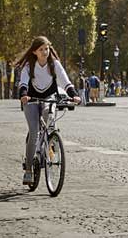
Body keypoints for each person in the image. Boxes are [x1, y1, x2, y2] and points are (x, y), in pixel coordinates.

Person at [17, 36, 81, 185]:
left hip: (49, 97)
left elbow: (65, 82)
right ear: (34, 52)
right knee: (34, 132)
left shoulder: (54, 64)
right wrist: (24, 95)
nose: (45, 52)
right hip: (31, 99)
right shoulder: (28, 66)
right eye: (41, 49)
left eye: (47, 48)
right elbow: (23, 83)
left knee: (49, 117)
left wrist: (74, 95)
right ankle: (28, 170)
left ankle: (50, 142)